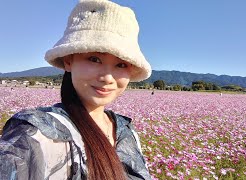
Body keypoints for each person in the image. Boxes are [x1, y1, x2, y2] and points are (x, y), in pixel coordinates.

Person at [0, 0, 152, 179]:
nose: (108, 77)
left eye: (121, 64)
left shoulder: (127, 132)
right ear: (68, 61)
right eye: (94, 59)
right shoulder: (33, 135)